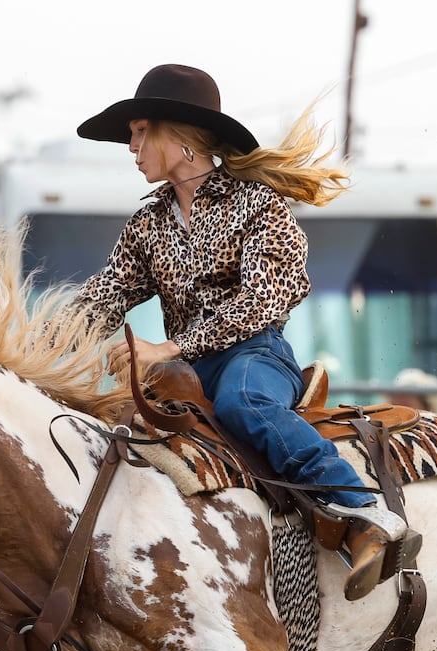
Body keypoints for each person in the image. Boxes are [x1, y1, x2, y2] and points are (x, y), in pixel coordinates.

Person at [70, 64, 418, 601]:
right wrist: (35, 339)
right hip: (183, 371)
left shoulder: (257, 205)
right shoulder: (147, 224)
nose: (131, 146)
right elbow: (106, 292)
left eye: (140, 132)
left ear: (179, 139)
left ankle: (364, 508)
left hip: (255, 352)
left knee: (244, 404)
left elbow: (267, 297)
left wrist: (170, 346)